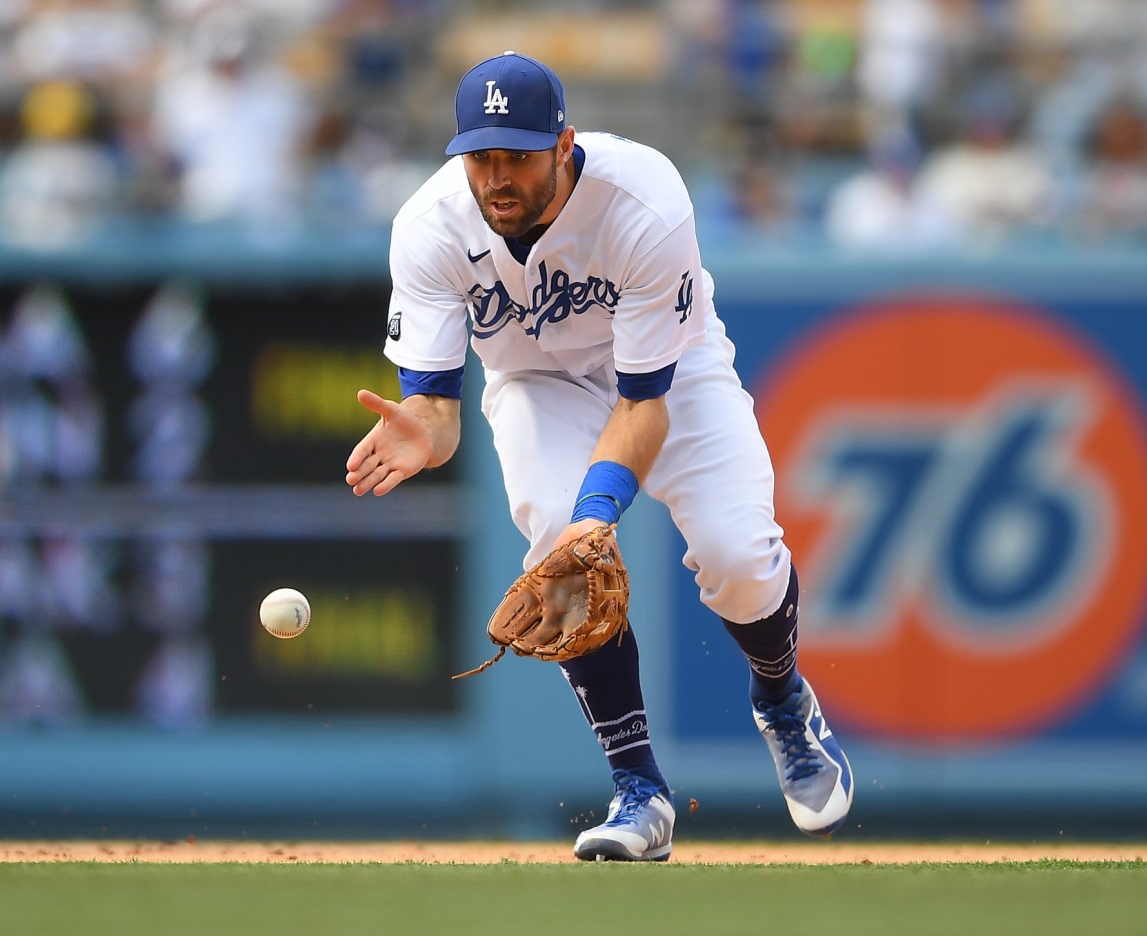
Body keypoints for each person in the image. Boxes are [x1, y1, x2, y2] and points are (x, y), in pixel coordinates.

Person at [345, 52, 853, 862]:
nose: (497, 177)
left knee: (738, 557)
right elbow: (437, 411)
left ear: (564, 143)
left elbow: (642, 405)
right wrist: (425, 429)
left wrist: (600, 514)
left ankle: (783, 698)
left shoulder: (643, 199)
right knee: (557, 548)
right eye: (481, 157)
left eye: (517, 155)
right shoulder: (430, 226)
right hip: (534, 380)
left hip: (670, 376)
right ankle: (639, 791)